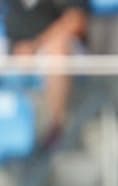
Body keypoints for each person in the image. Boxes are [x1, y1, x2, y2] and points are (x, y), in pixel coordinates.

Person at [2, 0, 88, 149]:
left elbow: (75, 21)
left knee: (57, 50)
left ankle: (55, 127)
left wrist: (34, 46)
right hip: (15, 49)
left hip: (58, 49)